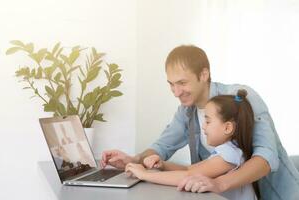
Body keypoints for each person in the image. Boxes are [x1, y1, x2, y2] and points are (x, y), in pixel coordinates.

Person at [100, 45, 299, 199]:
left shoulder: (239, 99)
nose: (176, 92)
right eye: (171, 84)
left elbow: (266, 158)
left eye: (182, 83)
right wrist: (134, 160)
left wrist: (219, 184)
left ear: (203, 75)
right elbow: (163, 147)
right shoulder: (186, 110)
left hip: (279, 195)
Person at [126, 89, 257, 200]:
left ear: (227, 128)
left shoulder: (230, 154)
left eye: (208, 121)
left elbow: (188, 176)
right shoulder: (226, 151)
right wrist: (163, 165)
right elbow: (190, 170)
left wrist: (145, 175)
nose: (203, 127)